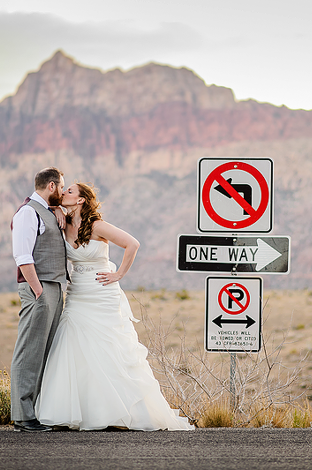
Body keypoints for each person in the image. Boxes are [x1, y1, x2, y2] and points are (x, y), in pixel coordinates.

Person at [35, 183, 194, 431]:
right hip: (78, 292)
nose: (63, 192)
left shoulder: (97, 226)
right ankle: (79, 411)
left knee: (109, 346)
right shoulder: (62, 222)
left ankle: (120, 412)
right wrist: (55, 208)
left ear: (80, 200)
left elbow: (133, 244)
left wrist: (119, 273)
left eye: (69, 191)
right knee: (73, 344)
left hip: (102, 292)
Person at [10, 167, 68, 432]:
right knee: (29, 351)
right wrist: (39, 292)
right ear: (52, 186)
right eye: (62, 186)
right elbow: (23, 257)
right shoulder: (27, 213)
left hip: (53, 287)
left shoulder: (47, 211)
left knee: (45, 352)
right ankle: (23, 416)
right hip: (39, 289)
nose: (64, 191)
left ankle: (36, 410)